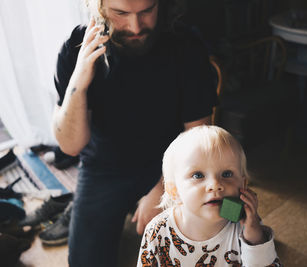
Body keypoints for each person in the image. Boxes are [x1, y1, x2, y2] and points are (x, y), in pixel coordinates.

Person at [52, 0, 217, 265]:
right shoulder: (75, 48)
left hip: (173, 165)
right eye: (120, 13)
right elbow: (70, 145)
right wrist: (79, 81)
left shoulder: (185, 44)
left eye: (146, 11)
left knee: (234, 213)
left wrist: (166, 189)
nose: (136, 26)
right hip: (103, 170)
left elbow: (198, 136)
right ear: (99, 8)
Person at [137, 125, 282, 266]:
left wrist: (255, 239)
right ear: (174, 191)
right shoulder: (158, 231)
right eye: (198, 175)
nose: (215, 184)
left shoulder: (246, 228)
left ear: (243, 186)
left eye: (227, 174)